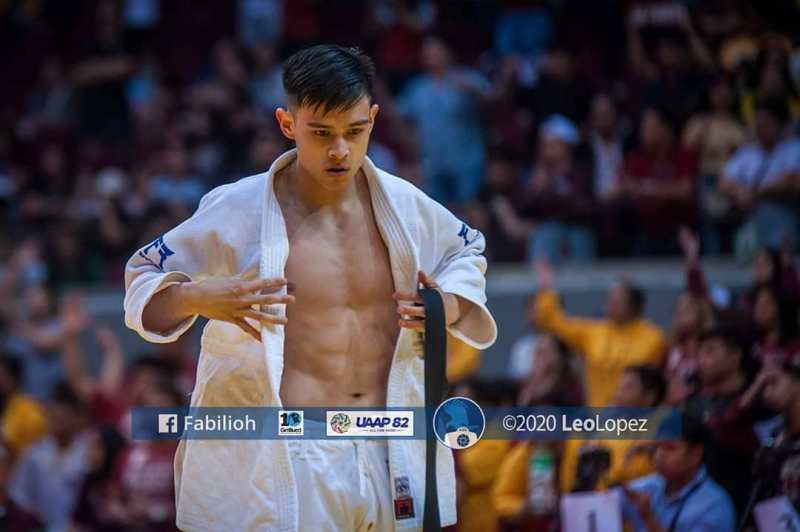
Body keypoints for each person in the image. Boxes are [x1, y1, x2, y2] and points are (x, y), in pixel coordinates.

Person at [123, 45, 497, 531]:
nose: (340, 150)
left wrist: (448, 303)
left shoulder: (407, 207)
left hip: (390, 447)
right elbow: (142, 274)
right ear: (287, 123)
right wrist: (195, 296)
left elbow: (468, 251)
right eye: (321, 134)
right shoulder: (236, 210)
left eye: (354, 131)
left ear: (374, 119)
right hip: (294, 449)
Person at [532, 261, 666, 406]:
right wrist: (547, 289)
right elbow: (552, 322)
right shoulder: (593, 332)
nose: (610, 305)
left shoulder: (655, 338)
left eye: (617, 301)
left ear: (634, 305)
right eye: (610, 300)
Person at [623, 413, 736, 532]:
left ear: (695, 454)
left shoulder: (714, 506)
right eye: (656, 447)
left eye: (670, 448)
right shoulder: (649, 485)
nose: (659, 455)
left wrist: (649, 518)